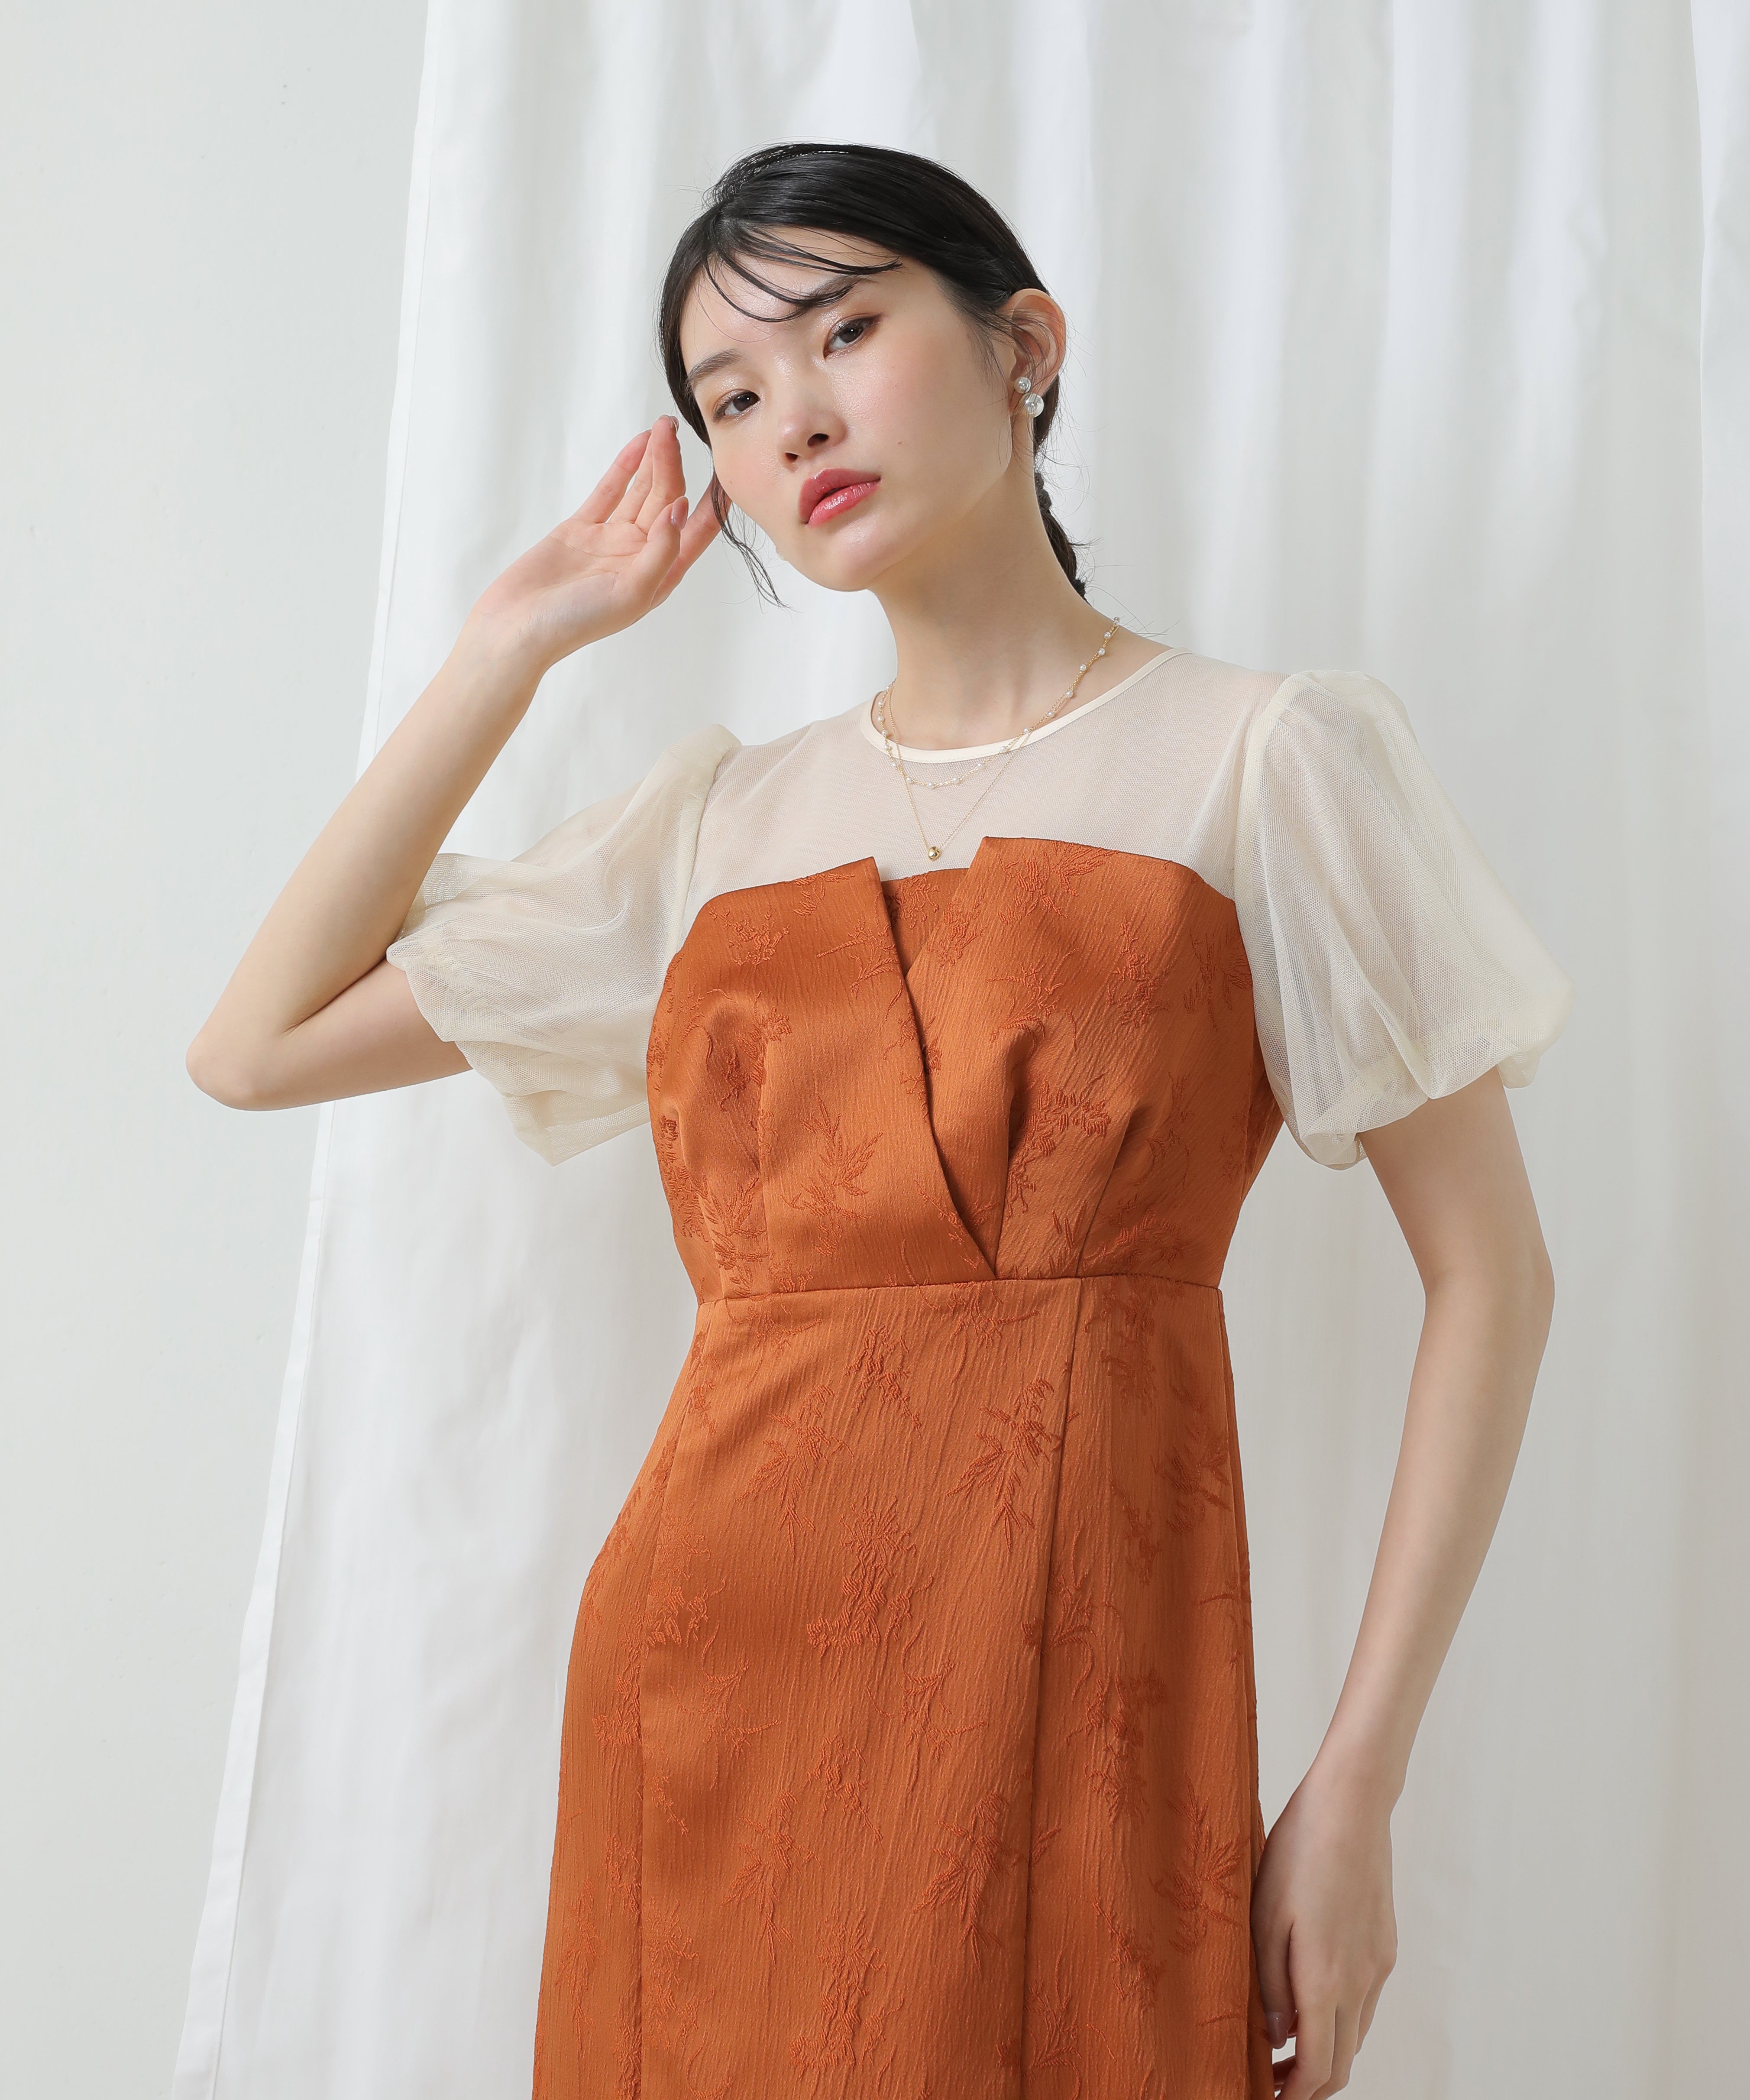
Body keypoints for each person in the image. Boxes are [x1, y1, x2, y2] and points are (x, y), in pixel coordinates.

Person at [187, 142, 1572, 2100]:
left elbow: (1493, 1279)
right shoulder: (716, 826)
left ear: (1025, 345)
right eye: (732, 397)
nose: (795, 419)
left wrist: (1354, 1789)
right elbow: (255, 1046)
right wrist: (512, 642)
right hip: (705, 1676)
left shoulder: (1269, 756)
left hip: (1082, 1666)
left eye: (845, 332)